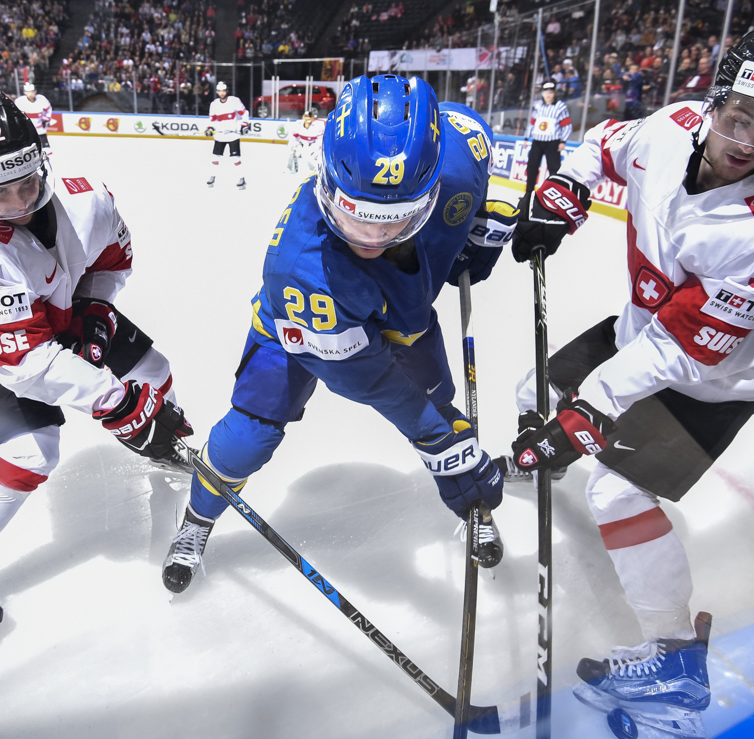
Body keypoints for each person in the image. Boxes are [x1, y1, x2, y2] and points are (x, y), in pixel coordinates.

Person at [506, 19, 754, 738]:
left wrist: (593, 408)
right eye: (741, 117)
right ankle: (544, 448)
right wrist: (565, 191)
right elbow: (604, 146)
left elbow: (692, 351)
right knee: (534, 395)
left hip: (720, 370)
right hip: (649, 323)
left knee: (615, 484)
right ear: (716, 99)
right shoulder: (672, 126)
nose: (748, 142)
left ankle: (674, 664)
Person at [161, 74, 511, 595]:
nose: (370, 238)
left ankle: (468, 498)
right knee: (249, 435)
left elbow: (462, 173)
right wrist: (432, 436)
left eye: (395, 222)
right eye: (353, 215)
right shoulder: (299, 267)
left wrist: (474, 233)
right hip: (297, 329)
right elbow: (363, 378)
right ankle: (199, 518)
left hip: (403, 317)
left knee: (441, 404)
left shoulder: (464, 149)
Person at [0, 85, 194, 643]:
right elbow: (22, 363)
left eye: (29, 181)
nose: (21, 201)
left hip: (59, 309)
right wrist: (112, 401)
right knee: (32, 452)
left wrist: (94, 309)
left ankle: (156, 439)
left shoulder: (88, 197)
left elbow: (115, 257)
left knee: (155, 370)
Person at [523, 82, 572, 197]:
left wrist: (563, 141)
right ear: (543, 93)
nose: (548, 95)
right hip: (537, 141)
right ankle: (528, 193)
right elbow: (532, 123)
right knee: (532, 167)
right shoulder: (538, 106)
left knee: (554, 169)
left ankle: (554, 194)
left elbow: (567, 125)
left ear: (554, 93)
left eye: (550, 92)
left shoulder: (560, 106)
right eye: (546, 92)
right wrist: (526, 137)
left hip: (553, 142)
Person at [206, 81, 250, 189]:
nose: (222, 93)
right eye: (220, 91)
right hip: (220, 135)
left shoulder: (234, 101)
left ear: (227, 91)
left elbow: (244, 113)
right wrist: (210, 128)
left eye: (223, 91)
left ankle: (241, 178)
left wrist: (245, 124)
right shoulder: (214, 104)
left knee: (235, 158)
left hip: (233, 134)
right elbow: (212, 120)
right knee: (215, 157)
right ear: (217, 92)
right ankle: (212, 177)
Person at [13, 82, 53, 152]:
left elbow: (48, 109)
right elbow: (14, 113)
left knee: (47, 150)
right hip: (27, 131)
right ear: (25, 93)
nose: (30, 94)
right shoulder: (19, 101)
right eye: (28, 92)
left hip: (40, 129)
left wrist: (47, 118)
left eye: (32, 92)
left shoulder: (42, 99)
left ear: (35, 92)